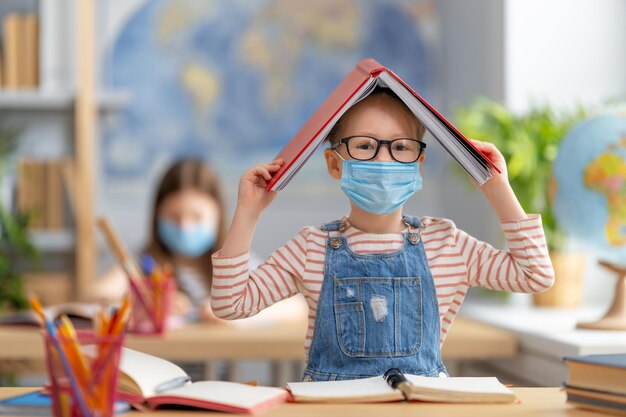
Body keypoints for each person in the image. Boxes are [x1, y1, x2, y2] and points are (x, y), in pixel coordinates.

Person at [210, 87, 555, 381]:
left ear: (418, 164)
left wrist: (497, 189)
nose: (383, 161)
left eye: (401, 147)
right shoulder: (309, 248)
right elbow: (230, 304)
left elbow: (535, 275)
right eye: (364, 146)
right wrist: (248, 212)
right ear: (334, 164)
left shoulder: (447, 244)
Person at [92, 158, 227, 322]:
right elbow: (95, 294)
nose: (185, 227)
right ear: (157, 216)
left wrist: (233, 313)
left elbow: (267, 304)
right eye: (174, 217)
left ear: (218, 217)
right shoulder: (140, 262)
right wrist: (144, 299)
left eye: (197, 217)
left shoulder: (235, 263)